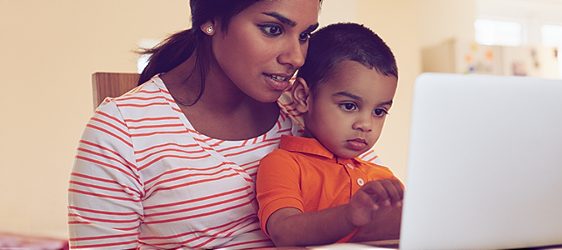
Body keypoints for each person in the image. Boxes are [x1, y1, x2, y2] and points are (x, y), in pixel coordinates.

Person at [67, 1, 385, 249]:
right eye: (273, 29)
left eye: (304, 35)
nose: (296, 57)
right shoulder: (122, 132)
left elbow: (371, 204)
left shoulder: (303, 105)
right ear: (210, 21)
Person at [256, 23, 403, 247]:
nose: (366, 124)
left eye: (379, 112)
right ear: (304, 97)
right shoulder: (284, 164)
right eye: (349, 106)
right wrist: (349, 215)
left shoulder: (382, 178)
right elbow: (284, 231)